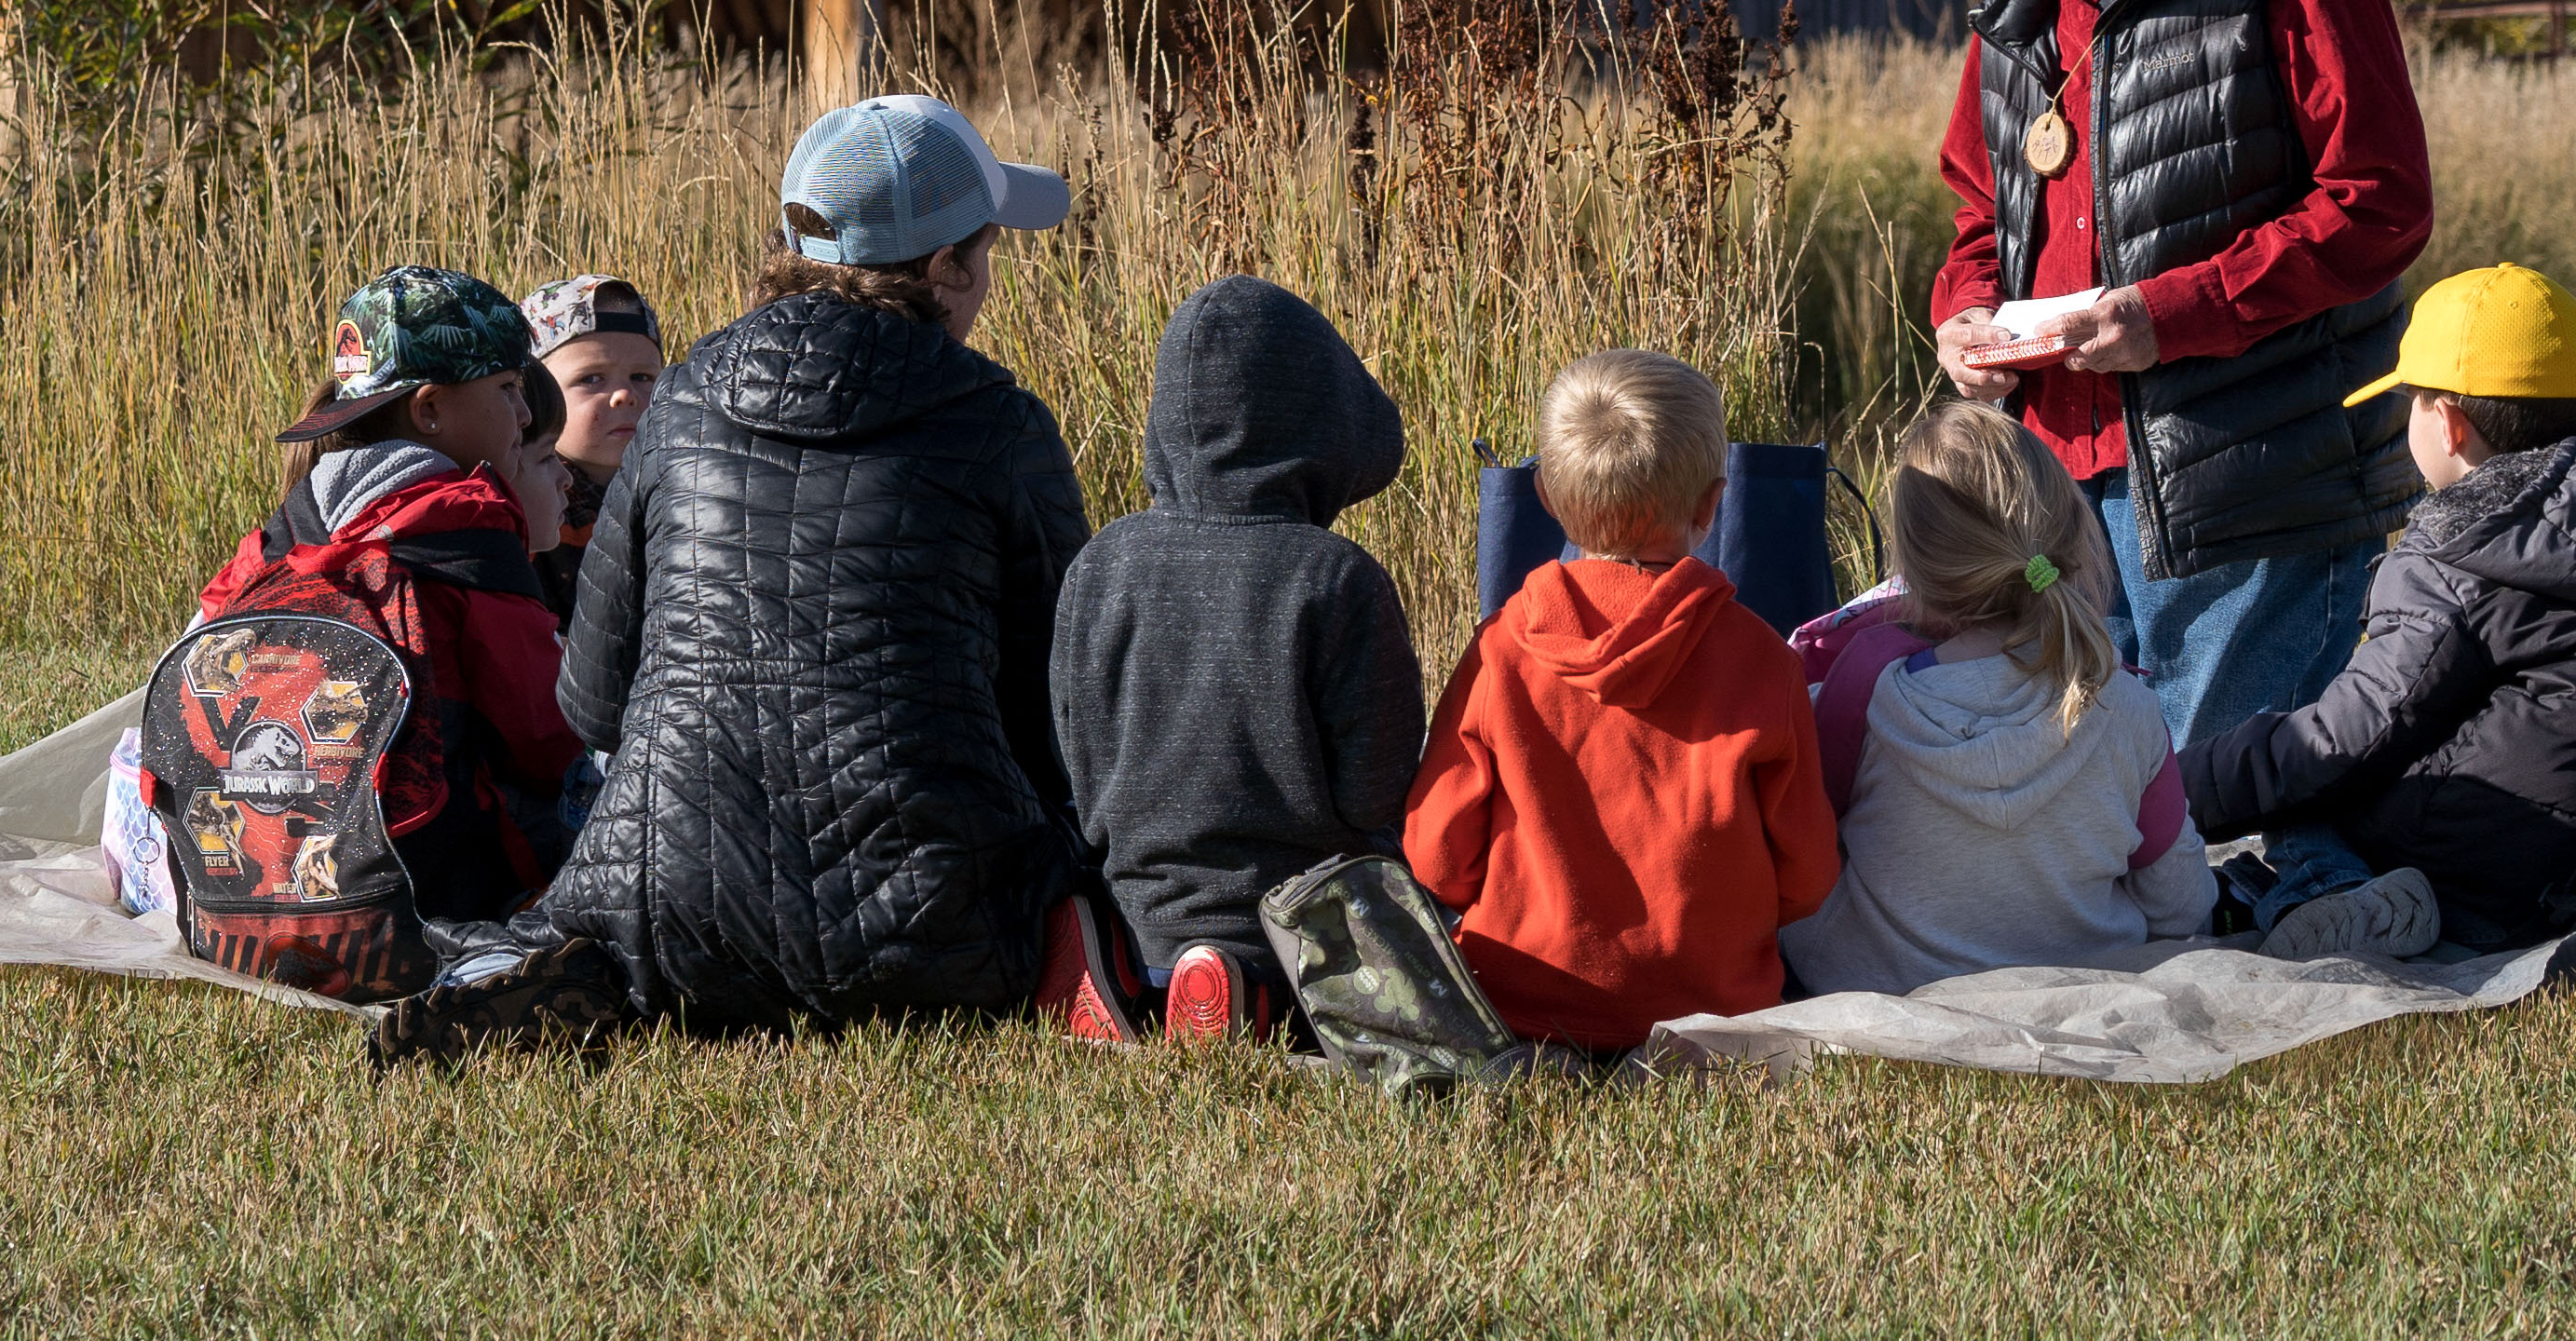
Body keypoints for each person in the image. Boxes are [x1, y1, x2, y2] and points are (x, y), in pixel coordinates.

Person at [1929, 0, 2434, 746]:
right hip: (2057, 485)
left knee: (2238, 816)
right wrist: (1964, 316)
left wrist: (2172, 311)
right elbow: (1981, 212)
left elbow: (2380, 204)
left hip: (2250, 477)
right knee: (2107, 828)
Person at [534, 93, 1091, 1032]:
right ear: (944, 267)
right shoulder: (1001, 422)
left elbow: (591, 699)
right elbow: (1066, 717)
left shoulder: (675, 405)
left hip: (667, 925)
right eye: (986, 252)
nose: (988, 278)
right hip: (945, 938)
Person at [2187, 264, 2576, 961]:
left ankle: (2326, 890)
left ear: (2445, 425)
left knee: (2300, 802)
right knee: (2271, 834)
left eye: (2409, 403)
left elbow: (2348, 738)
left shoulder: (2456, 553)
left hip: (2479, 883)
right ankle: (2266, 893)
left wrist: (2173, 790)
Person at [1400, 350, 1833, 1050]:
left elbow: (1437, 861)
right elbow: (1808, 875)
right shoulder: (1762, 661)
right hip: (1713, 1016)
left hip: (1522, 1009)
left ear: (1542, 497)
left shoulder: (1500, 652)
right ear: (1711, 503)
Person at [1043, 276, 1421, 1043]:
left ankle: (1118, 969)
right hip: (1298, 927)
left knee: (1118, 888)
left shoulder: (1100, 563)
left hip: (1137, 903)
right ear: (1324, 425)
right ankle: (1241, 987)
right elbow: (1375, 792)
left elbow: (1073, 756)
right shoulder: (1334, 579)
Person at [185, 266, 584, 924]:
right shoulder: (468, 537)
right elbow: (546, 743)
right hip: (417, 899)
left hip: (238, 897)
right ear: (429, 409)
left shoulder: (277, 539)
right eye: (509, 387)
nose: (522, 412)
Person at [1776, 404, 2218, 996]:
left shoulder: (1852, 700)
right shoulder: (2125, 703)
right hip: (2089, 982)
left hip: (1882, 988)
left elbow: (1795, 871)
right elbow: (2181, 903)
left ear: (1915, 567)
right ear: (2068, 536)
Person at [518, 272, 663, 623]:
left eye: (642, 378)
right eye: (591, 378)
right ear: (532, 395)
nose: (624, 396)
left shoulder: (681, 486)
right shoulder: (530, 503)